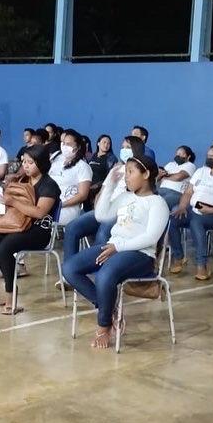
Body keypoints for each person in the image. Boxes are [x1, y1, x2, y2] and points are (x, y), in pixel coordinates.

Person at [63, 155, 170, 349]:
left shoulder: (157, 203)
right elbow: (101, 215)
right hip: (113, 248)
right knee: (70, 268)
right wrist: (109, 184)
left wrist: (117, 248)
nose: (126, 177)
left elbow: (151, 237)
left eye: (131, 172)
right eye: (125, 172)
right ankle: (109, 308)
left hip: (140, 254)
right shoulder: (125, 197)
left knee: (106, 274)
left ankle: (104, 326)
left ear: (146, 174)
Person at [0, 144, 60, 315]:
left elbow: (40, 213)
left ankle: (11, 295)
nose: (25, 166)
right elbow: (7, 205)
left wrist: (13, 202)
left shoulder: (49, 185)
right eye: (24, 162)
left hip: (38, 230)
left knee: (5, 248)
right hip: (13, 224)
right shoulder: (21, 181)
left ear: (41, 163)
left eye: (30, 162)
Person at [63, 135, 146, 260]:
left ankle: (98, 271)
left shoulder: (142, 172)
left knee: (103, 232)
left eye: (128, 147)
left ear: (136, 149)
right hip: (104, 209)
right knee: (72, 228)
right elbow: (102, 191)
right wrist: (98, 208)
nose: (123, 150)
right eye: (122, 147)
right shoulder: (116, 169)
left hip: (122, 213)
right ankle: (69, 269)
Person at [168, 142, 213, 280]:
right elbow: (188, 193)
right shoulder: (201, 171)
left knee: (196, 222)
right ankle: (178, 257)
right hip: (195, 209)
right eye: (208, 156)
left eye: (212, 156)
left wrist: (212, 210)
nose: (208, 158)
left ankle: (202, 265)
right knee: (173, 219)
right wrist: (182, 206)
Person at [49, 129, 92, 226]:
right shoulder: (56, 162)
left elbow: (82, 195)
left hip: (65, 210)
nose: (64, 146)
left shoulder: (83, 167)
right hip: (47, 205)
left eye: (68, 144)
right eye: (63, 143)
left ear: (78, 147)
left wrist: (60, 205)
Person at [157, 146, 196, 213]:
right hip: (161, 189)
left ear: (188, 156)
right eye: (177, 153)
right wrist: (161, 175)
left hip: (176, 193)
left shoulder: (190, 165)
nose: (178, 155)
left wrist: (165, 176)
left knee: (160, 204)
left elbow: (178, 177)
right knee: (148, 199)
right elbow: (158, 177)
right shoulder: (170, 164)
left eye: (181, 154)